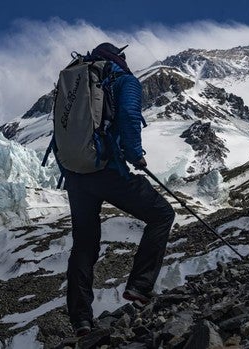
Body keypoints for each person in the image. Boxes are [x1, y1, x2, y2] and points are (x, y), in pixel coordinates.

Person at [63, 43, 175, 337]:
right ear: (118, 58)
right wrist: (135, 154)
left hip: (76, 176)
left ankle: (81, 320)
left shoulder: (74, 82)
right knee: (161, 213)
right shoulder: (123, 80)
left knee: (84, 244)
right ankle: (139, 286)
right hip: (108, 170)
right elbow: (127, 116)